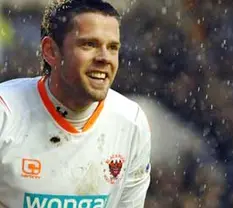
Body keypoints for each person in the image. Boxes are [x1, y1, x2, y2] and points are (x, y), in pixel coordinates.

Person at [0, 0, 151, 207]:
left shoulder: (131, 122)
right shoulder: (6, 112)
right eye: (89, 44)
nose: (105, 58)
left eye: (113, 47)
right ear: (50, 51)